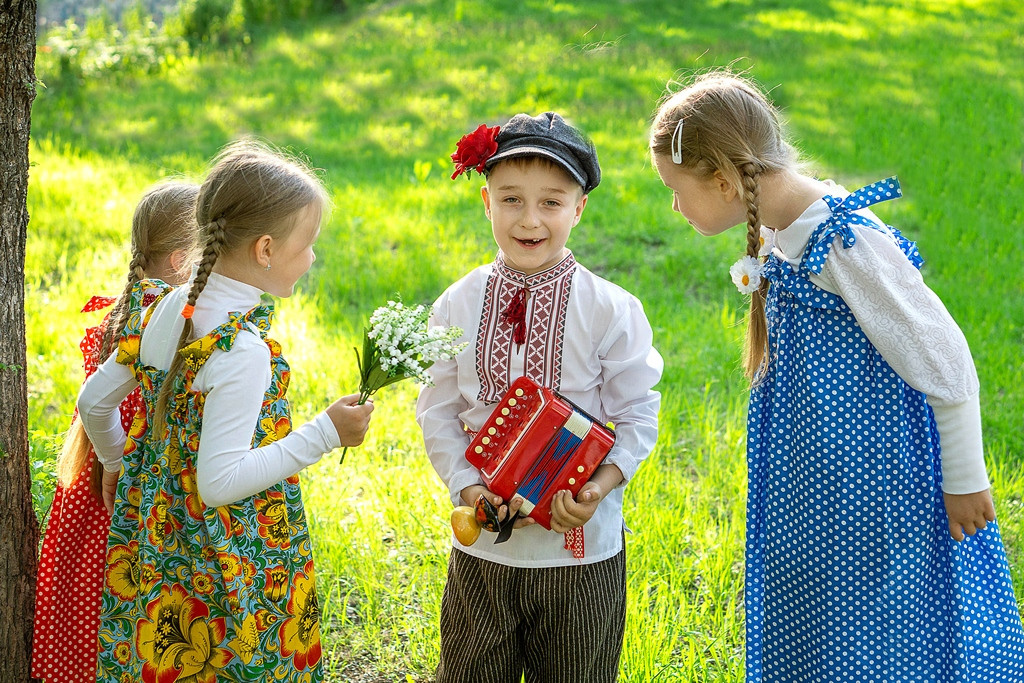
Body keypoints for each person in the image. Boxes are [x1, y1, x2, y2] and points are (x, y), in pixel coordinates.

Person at [649, 70, 1024, 682]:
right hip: (817, 474)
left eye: (675, 188)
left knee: (879, 622)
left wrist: (963, 477)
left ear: (722, 180)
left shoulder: (845, 242)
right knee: (818, 607)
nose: (673, 205)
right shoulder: (784, 227)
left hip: (874, 483)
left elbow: (944, 358)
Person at [77, 139, 374, 682]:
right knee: (235, 660)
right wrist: (326, 432)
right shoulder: (241, 351)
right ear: (265, 249)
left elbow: (94, 402)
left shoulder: (164, 306)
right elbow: (219, 484)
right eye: (308, 245)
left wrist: (117, 463)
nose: (312, 258)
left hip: (159, 539)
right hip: (231, 552)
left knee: (169, 656)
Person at [417, 112, 663, 682]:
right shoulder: (458, 303)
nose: (529, 219)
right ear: (486, 202)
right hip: (484, 552)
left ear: (579, 208)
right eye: (511, 200)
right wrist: (467, 485)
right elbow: (438, 408)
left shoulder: (610, 308)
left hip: (579, 553)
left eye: (551, 202)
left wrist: (597, 489)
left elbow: (637, 414)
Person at [31, 180, 201, 683]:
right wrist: (115, 464)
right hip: (125, 495)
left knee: (91, 607)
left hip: (90, 495)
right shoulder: (166, 324)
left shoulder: (124, 313)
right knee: (127, 604)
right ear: (180, 261)